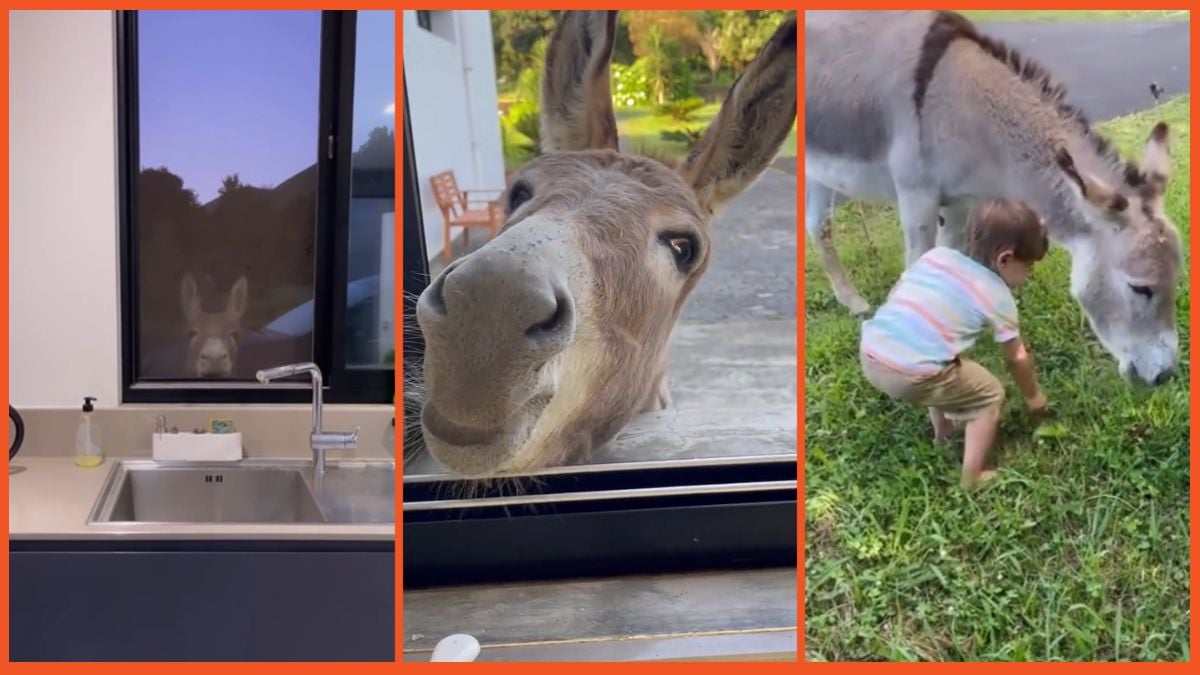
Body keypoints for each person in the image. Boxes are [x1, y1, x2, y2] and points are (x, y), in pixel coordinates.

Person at [860, 199, 1050, 487]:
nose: (1029, 276)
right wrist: (1034, 396)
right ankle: (971, 477)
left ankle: (943, 434)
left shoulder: (936, 256)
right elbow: (1017, 357)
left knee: (940, 359)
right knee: (989, 395)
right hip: (912, 375)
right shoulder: (998, 295)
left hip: (872, 352)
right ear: (1005, 260)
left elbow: (899, 292)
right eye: (1029, 267)